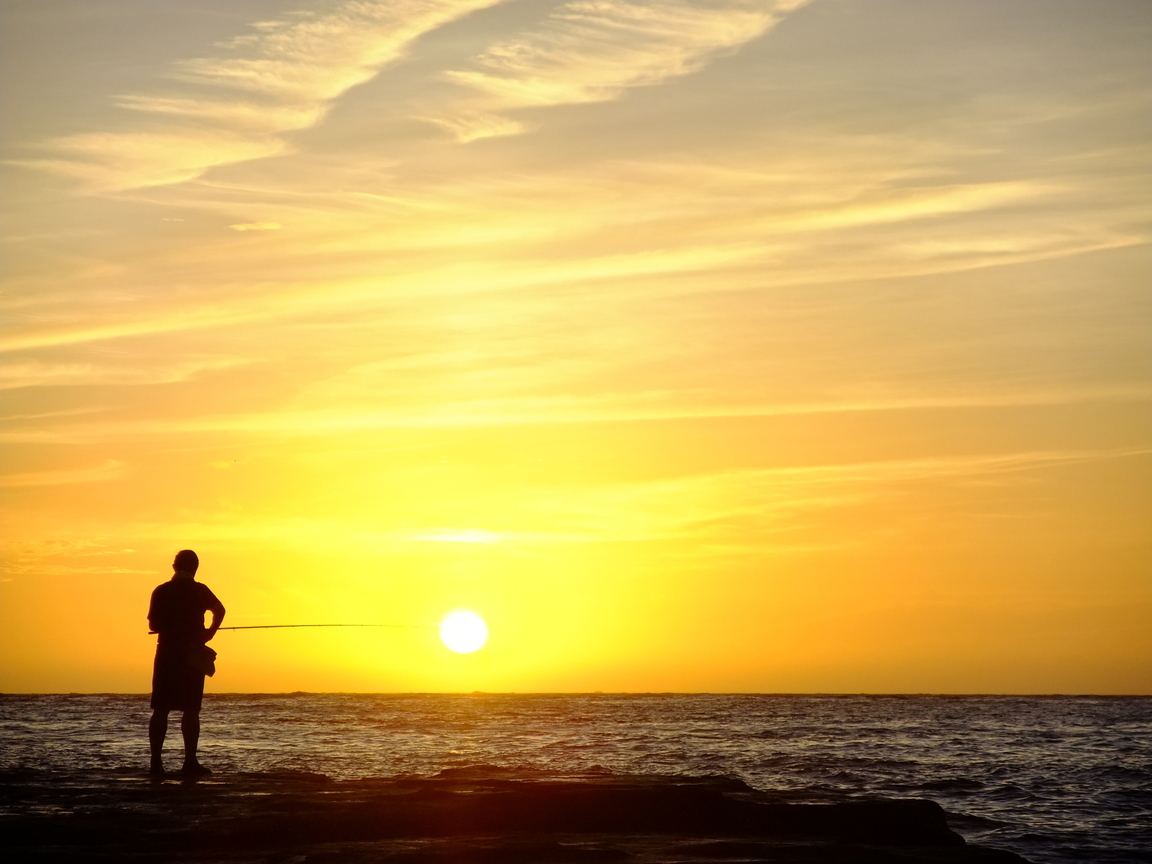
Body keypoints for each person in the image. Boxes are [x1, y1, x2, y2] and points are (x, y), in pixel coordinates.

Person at [147, 549, 225, 775]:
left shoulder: (161, 591)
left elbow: (153, 625)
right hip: (192, 654)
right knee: (191, 709)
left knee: (161, 709)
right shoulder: (200, 590)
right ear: (195, 568)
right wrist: (209, 632)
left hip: (167, 653)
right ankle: (189, 762)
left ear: (174, 566)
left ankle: (156, 764)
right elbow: (220, 610)